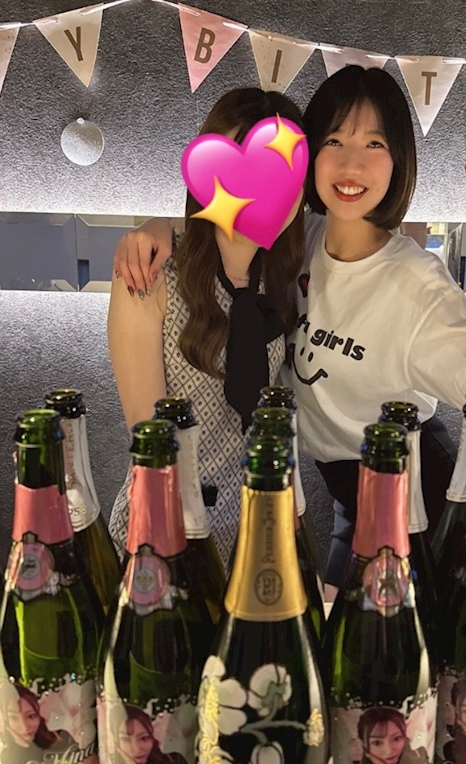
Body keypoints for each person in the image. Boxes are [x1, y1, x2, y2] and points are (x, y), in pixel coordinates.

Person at [113, 67, 466, 591]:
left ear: (398, 160)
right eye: (334, 140)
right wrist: (153, 228)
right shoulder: (294, 246)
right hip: (274, 505)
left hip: (407, 490)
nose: (352, 162)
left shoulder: (415, 282)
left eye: (375, 143)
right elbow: (226, 218)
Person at [106, 88, 305, 569]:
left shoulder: (283, 279)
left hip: (255, 536)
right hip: (166, 535)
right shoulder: (152, 275)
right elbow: (150, 441)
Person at [0, 683, 77, 764]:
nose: (24, 727)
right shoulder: (5, 754)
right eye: (13, 718)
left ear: (39, 715)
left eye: (31, 716)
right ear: (4, 719)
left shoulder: (63, 737)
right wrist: (26, 748)